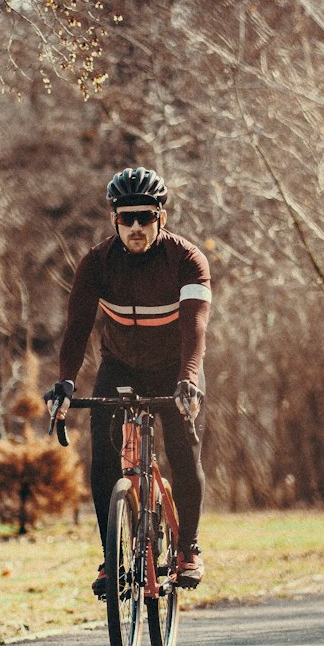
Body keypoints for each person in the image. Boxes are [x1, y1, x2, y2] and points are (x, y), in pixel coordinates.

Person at [45, 166, 211, 594]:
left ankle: (188, 547)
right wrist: (65, 383)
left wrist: (189, 380)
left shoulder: (187, 260)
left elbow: (195, 329)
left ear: (162, 217)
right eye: (126, 218)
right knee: (103, 456)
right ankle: (110, 558)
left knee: (183, 448)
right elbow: (77, 328)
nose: (136, 227)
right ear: (114, 219)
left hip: (176, 370)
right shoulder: (97, 264)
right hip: (120, 367)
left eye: (145, 217)